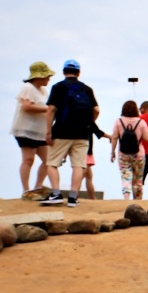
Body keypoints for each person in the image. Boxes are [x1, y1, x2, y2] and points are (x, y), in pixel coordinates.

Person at [40, 59, 99, 208]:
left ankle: (56, 194)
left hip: (62, 132)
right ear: (78, 73)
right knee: (78, 165)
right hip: (82, 134)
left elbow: (51, 110)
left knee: (52, 163)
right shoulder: (87, 89)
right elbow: (96, 110)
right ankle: (73, 198)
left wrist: (48, 131)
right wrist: (88, 123)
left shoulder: (58, 87)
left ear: (64, 72)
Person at [11, 61, 53, 196]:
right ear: (38, 76)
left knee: (49, 160)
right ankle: (26, 190)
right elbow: (27, 106)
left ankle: (38, 187)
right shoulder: (28, 87)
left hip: (40, 131)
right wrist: (47, 109)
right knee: (28, 159)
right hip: (26, 129)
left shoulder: (44, 91)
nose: (48, 79)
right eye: (46, 76)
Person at [110, 100, 148, 200]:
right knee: (138, 180)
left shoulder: (118, 122)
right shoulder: (141, 122)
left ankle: (126, 197)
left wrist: (112, 152)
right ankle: (137, 200)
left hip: (123, 154)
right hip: (138, 154)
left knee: (126, 177)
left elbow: (114, 137)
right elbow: (147, 138)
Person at [84, 121, 112, 200]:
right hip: (85, 151)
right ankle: (73, 195)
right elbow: (98, 132)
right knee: (82, 174)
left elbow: (98, 132)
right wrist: (110, 137)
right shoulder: (88, 118)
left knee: (88, 175)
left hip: (84, 151)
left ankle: (93, 198)